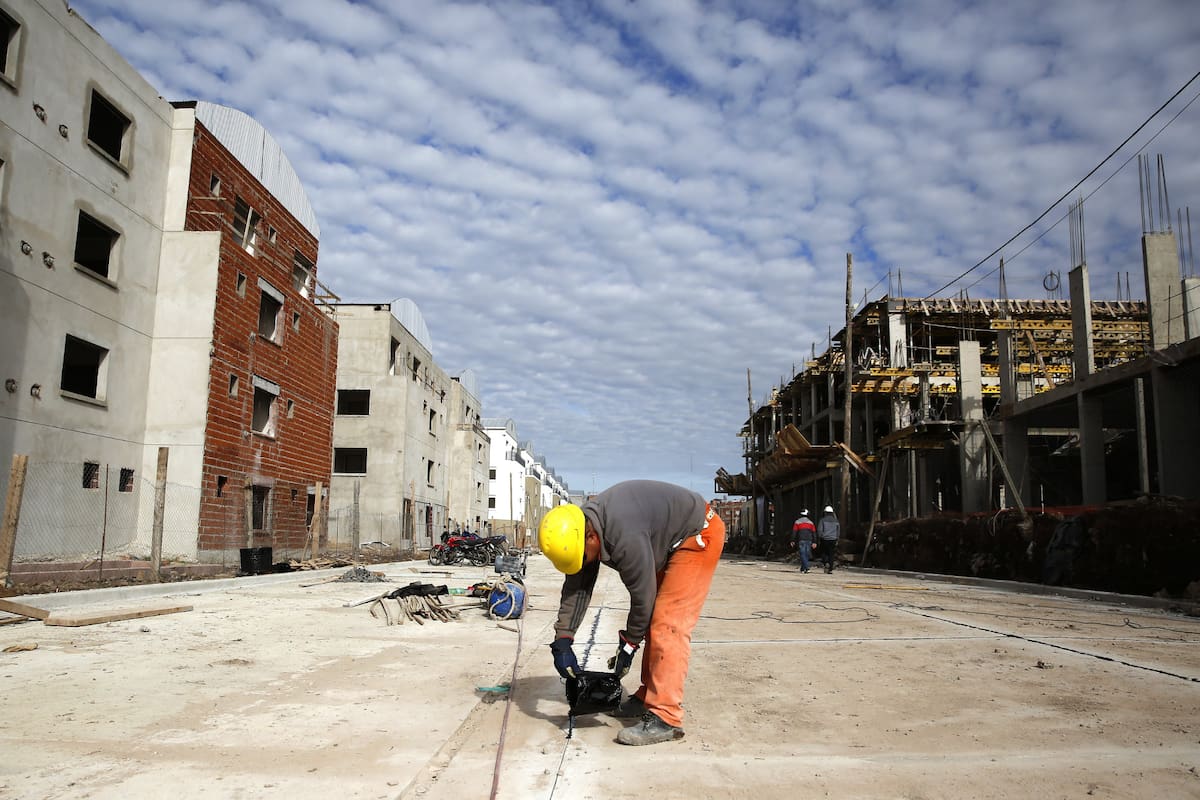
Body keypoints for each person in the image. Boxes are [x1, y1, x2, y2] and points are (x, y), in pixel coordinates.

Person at [539, 480, 726, 746]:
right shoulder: (583, 527)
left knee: (667, 624)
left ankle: (666, 717)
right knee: (653, 621)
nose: (582, 564)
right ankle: (648, 695)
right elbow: (577, 586)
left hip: (697, 534)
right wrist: (562, 640)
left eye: (582, 557)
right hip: (669, 541)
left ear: (591, 537)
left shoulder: (622, 534)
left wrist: (628, 644)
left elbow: (643, 598)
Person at [816, 505, 840, 573]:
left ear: (825, 512)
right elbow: (838, 531)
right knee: (831, 554)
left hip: (824, 539)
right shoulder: (836, 521)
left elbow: (819, 530)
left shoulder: (822, 520)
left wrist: (820, 537)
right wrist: (837, 539)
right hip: (833, 539)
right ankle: (830, 569)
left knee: (824, 552)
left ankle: (826, 562)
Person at [791, 509, 815, 573]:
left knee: (802, 554)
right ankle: (804, 568)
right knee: (806, 554)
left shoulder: (797, 522)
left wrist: (792, 540)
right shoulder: (811, 523)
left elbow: (794, 532)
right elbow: (814, 533)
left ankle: (805, 568)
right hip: (809, 540)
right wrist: (814, 542)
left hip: (801, 539)